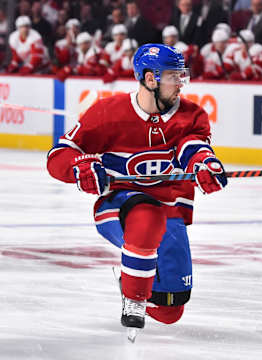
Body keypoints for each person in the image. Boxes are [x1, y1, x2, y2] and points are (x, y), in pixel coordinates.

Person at [46, 43, 227, 336]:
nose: (180, 83)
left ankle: (133, 275)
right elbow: (58, 156)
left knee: (170, 310)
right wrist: (79, 167)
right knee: (145, 217)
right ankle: (134, 299)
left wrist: (206, 165)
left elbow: (192, 148)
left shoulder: (192, 115)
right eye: (173, 76)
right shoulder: (108, 113)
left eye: (182, 75)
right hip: (118, 206)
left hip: (170, 210)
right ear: (150, 78)